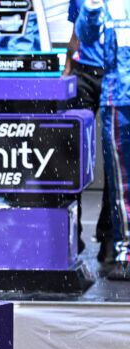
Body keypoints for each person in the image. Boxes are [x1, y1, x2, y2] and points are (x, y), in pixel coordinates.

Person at [76, 0, 130, 280]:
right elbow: (84, 35)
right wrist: (92, 7)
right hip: (117, 94)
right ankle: (124, 251)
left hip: (117, 92)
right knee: (120, 181)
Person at [65, 0, 113, 263]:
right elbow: (74, 33)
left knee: (114, 159)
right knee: (71, 156)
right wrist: (67, 70)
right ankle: (73, 235)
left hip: (115, 75)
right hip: (82, 76)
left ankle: (110, 238)